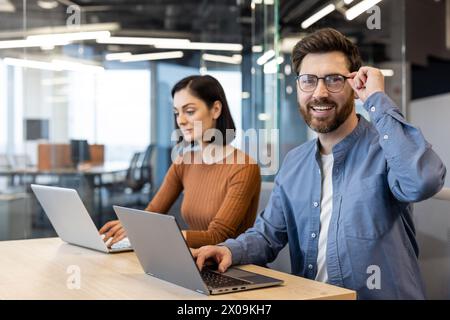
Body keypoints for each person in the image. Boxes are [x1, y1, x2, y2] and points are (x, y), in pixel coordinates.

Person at [193, 28, 446, 299]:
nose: (320, 92)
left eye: (334, 80)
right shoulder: (294, 163)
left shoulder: (386, 149)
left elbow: (423, 181)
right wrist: (229, 250)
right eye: (309, 80)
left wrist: (376, 100)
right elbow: (268, 235)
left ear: (354, 84)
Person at [100, 75, 261, 249]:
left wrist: (153, 233)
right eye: (177, 112)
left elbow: (217, 236)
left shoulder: (244, 168)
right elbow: (151, 213)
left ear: (215, 109)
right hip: (193, 260)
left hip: (233, 268)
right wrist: (131, 225)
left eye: (189, 111)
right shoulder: (184, 162)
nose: (181, 120)